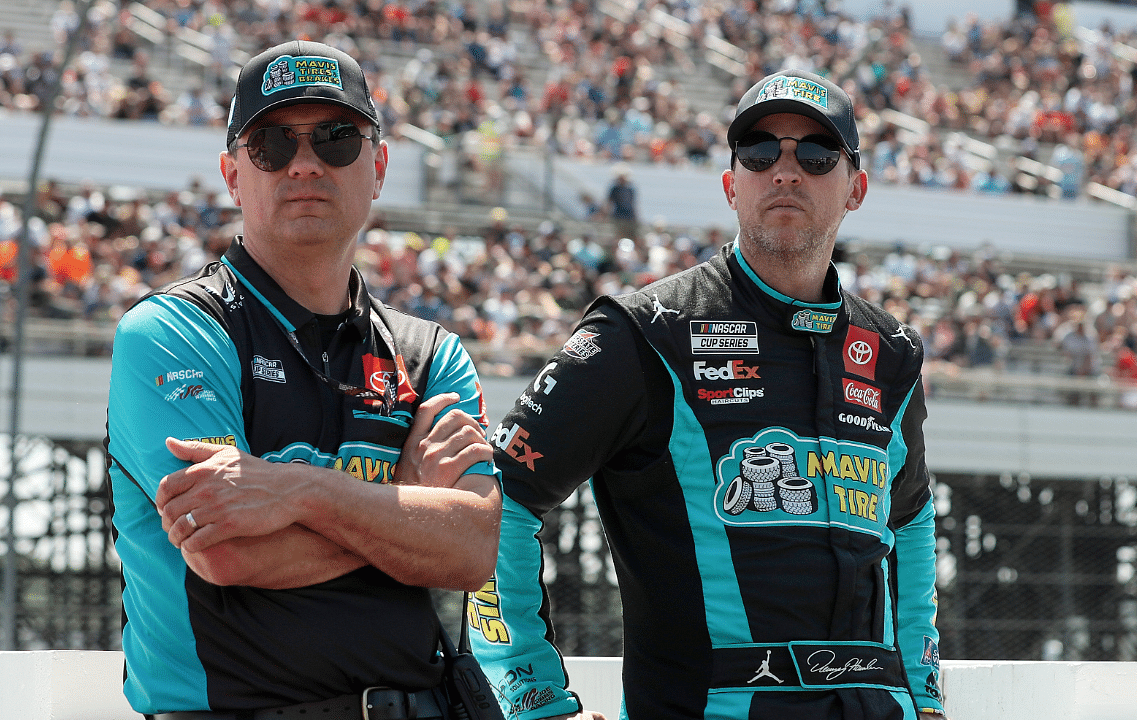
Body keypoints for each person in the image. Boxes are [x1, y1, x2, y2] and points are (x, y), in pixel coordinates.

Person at [469, 70, 946, 720]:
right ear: (731, 184)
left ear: (854, 187)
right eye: (759, 152)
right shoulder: (644, 332)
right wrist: (531, 700)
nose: (784, 170)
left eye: (815, 153)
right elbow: (497, 499)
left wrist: (926, 701)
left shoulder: (891, 352)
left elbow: (912, 518)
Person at [105, 40, 503, 719]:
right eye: (272, 146)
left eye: (335, 138)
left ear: (376, 167)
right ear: (233, 175)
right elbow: (227, 551)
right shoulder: (171, 332)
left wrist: (293, 491)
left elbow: (470, 548)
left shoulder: (430, 353)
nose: (305, 164)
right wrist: (407, 507)